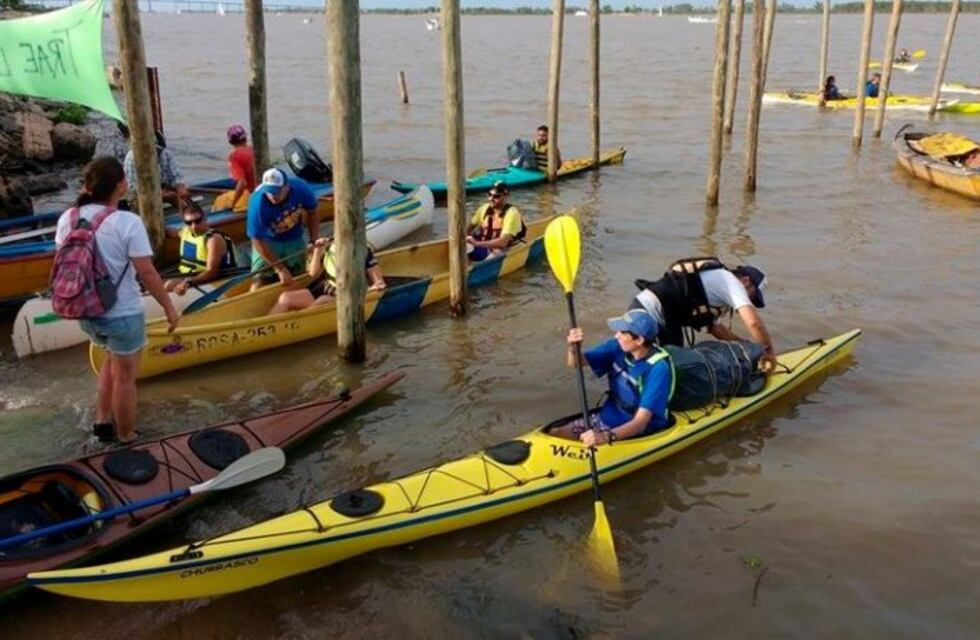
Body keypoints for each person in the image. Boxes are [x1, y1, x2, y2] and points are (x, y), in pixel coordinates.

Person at [54, 157, 179, 444]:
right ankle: (126, 435)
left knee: (111, 363)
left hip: (85, 310)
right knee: (125, 378)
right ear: (121, 186)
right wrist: (169, 307)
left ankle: (102, 422)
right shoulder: (127, 222)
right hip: (121, 313)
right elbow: (147, 272)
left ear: (87, 186)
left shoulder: (67, 218)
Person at [630, 257, 778, 371]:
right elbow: (754, 323)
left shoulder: (716, 287)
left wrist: (746, 346)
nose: (749, 300)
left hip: (646, 310)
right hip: (651, 314)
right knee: (669, 369)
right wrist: (768, 352)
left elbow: (717, 330)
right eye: (752, 296)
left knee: (650, 365)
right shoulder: (731, 282)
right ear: (745, 281)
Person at [551, 310, 674, 446]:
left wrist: (605, 437)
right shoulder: (617, 347)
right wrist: (573, 347)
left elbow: (641, 422)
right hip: (608, 417)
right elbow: (575, 363)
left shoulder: (658, 369)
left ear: (639, 340)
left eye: (622, 332)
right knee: (556, 433)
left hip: (639, 429)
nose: (617, 335)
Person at [268, 237, 385, 314]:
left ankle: (298, 323)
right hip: (327, 286)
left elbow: (379, 282)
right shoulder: (330, 246)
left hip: (348, 293)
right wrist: (318, 251)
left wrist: (371, 290)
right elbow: (313, 273)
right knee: (286, 297)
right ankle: (269, 328)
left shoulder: (364, 251)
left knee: (322, 301)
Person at [246, 167, 320, 290]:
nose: (273, 196)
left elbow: (313, 212)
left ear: (287, 187)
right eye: (269, 192)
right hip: (268, 241)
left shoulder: (300, 188)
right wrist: (279, 268)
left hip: (294, 237)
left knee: (299, 275)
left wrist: (313, 241)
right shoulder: (257, 203)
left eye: (277, 191)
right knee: (259, 279)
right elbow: (257, 239)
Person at [163, 201, 238, 295]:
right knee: (156, 281)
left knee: (168, 285)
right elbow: (171, 232)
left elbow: (211, 272)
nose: (194, 226)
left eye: (197, 221)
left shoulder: (213, 239)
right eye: (189, 222)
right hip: (186, 275)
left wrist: (189, 282)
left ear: (205, 219)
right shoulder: (185, 232)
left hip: (210, 279)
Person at [123, 129, 190, 208]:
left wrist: (180, 187)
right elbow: (133, 188)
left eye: (159, 150)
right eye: (155, 150)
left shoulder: (166, 154)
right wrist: (158, 193)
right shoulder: (132, 158)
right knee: (173, 197)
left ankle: (188, 211)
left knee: (185, 197)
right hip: (140, 195)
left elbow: (175, 177)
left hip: (163, 189)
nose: (158, 153)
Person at [466, 182, 526, 262]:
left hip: (503, 249)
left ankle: (480, 266)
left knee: (495, 253)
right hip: (484, 246)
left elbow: (503, 243)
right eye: (489, 194)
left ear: (505, 197)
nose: (491, 198)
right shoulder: (484, 208)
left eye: (496, 196)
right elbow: (468, 230)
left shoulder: (512, 213)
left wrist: (477, 243)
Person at [211, 124, 257, 213]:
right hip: (262, 191)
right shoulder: (254, 149)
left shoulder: (234, 157)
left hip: (251, 194)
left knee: (220, 201)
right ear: (245, 138)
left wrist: (233, 203)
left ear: (230, 142)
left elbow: (242, 183)